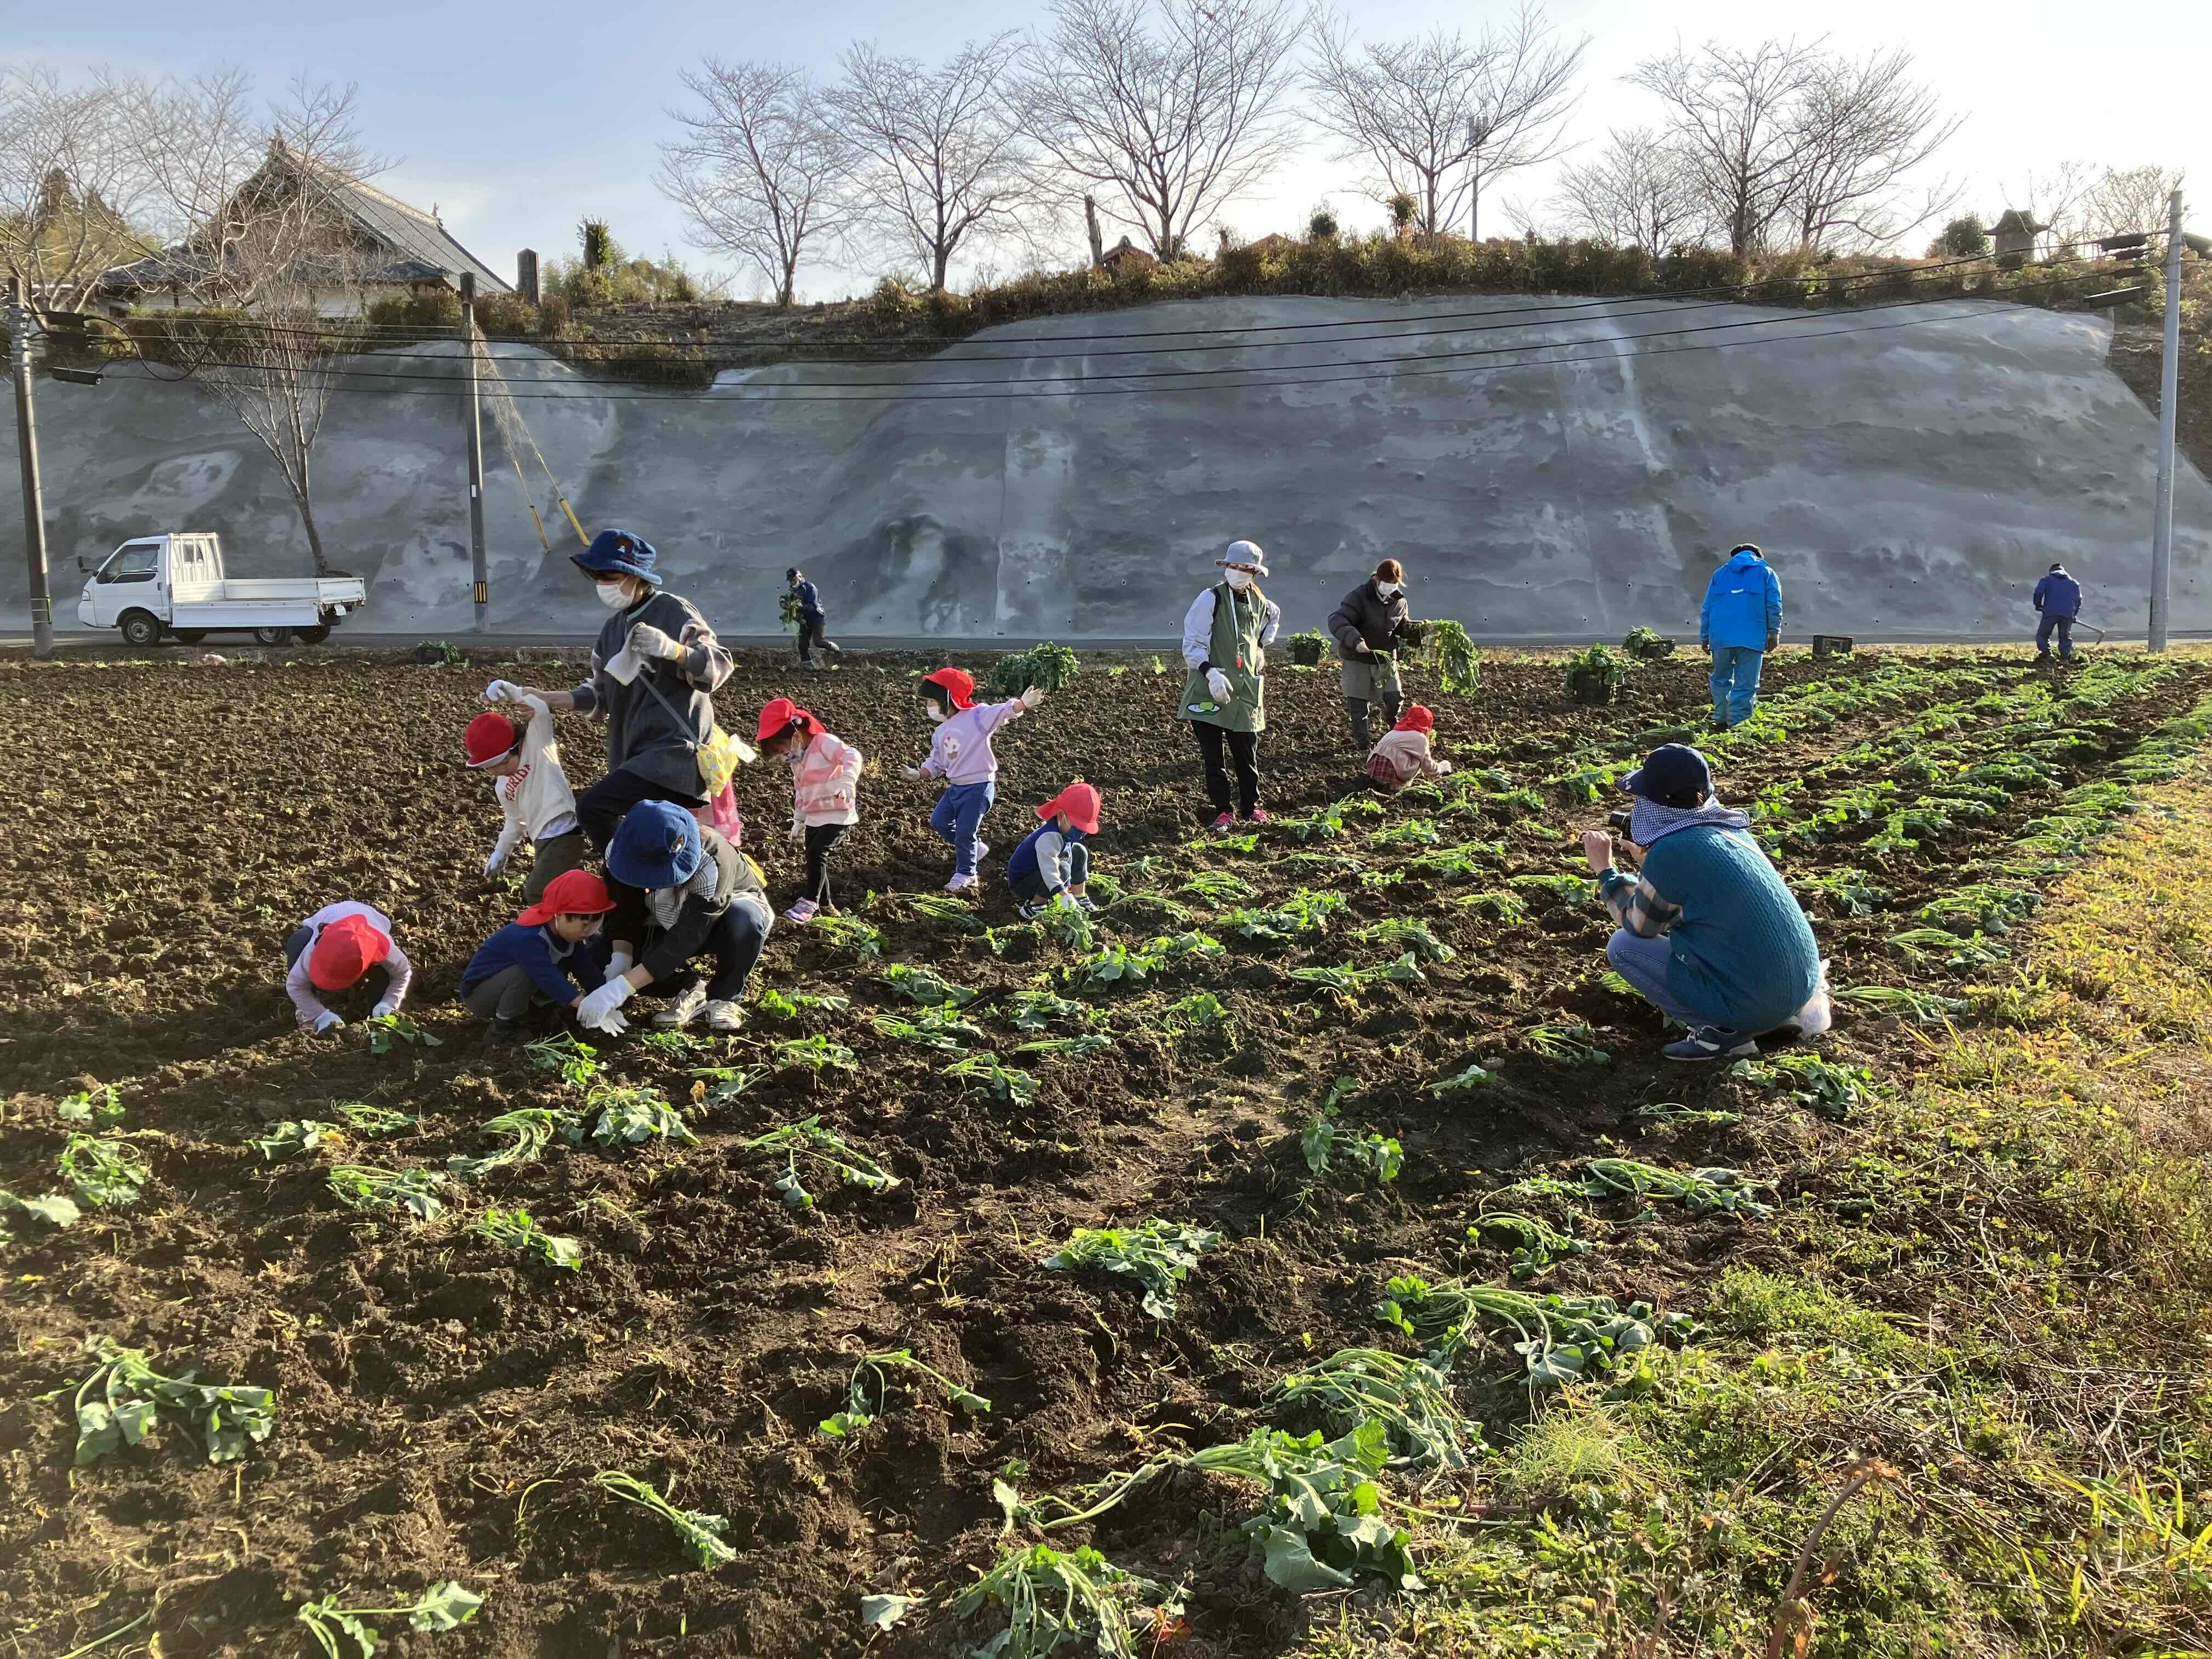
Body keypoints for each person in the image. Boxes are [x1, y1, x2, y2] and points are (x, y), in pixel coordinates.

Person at [501, 528, 733, 978]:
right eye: (598, 575)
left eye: (611, 574)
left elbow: (719, 665)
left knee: (595, 807)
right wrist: (535, 696)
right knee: (646, 840)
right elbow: (597, 697)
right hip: (633, 757)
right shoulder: (610, 633)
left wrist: (675, 651)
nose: (603, 583)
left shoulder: (673, 610)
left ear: (636, 576)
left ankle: (632, 881)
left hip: (674, 752)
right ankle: (637, 932)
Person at [1582, 743, 1824, 1062]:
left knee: (1623, 946)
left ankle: (1721, 1035)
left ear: (1656, 804)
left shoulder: (1673, 854)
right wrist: (1648, 863)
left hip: (1758, 1001)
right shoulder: (1731, 830)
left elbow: (1638, 923)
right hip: (1797, 989)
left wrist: (1606, 871)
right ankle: (1773, 1020)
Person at [576, 800, 772, 1035]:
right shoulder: (619, 851)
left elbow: (688, 936)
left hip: (716, 921)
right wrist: (621, 958)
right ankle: (690, 987)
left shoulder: (712, 860)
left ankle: (723, 997)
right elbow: (623, 911)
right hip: (661, 914)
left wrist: (619, 989)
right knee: (598, 957)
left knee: (745, 921)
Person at [901, 667, 1046, 893]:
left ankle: (968, 874)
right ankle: (974, 849)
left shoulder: (977, 716)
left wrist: (1023, 704)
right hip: (957, 787)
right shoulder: (940, 732)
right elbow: (936, 763)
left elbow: (1002, 712)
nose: (928, 706)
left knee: (966, 832)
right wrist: (920, 774)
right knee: (939, 821)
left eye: (931, 700)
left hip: (978, 787)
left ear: (947, 698)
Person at [1180, 539, 1282, 831]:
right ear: (1226, 567)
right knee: (1215, 759)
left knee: (1246, 755)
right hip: (1210, 688)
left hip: (1246, 690)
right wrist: (1210, 673)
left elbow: (1274, 615)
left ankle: (1251, 808)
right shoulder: (1210, 599)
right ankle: (1224, 810)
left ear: (1254, 573)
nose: (1238, 572)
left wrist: (1263, 643)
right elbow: (1193, 644)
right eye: (1234, 567)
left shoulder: (1260, 601)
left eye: (1245, 569)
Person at [459, 868, 617, 1045]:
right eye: (584, 924)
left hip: (511, 989)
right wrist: (583, 1004)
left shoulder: (569, 936)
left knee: (562, 963)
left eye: (594, 925)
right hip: (481, 995)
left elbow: (585, 969)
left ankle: (541, 1011)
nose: (588, 932)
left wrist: (607, 998)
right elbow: (546, 976)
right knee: (526, 973)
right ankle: (503, 1029)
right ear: (559, 914)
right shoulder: (529, 937)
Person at [466, 684, 589, 904]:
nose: (499, 771)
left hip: (567, 833)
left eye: (504, 762)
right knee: (557, 895)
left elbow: (540, 708)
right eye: (490, 768)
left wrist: (510, 691)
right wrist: (501, 853)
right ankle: (572, 933)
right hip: (541, 840)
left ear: (517, 745)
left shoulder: (537, 746)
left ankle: (548, 936)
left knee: (536, 892)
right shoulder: (502, 788)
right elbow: (515, 822)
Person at [757, 695, 863, 924]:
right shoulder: (798, 761)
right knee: (814, 857)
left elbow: (852, 755)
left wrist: (847, 781)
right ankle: (826, 905)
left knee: (817, 853)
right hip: (815, 817)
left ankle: (809, 902)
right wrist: (799, 821)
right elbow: (801, 793)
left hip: (838, 814)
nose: (784, 755)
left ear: (795, 735)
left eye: (781, 747)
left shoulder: (824, 743)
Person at [1328, 557, 1418, 751]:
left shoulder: (1399, 601)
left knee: (1395, 698)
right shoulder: (1359, 597)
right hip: (1358, 658)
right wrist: (1356, 641)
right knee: (1358, 705)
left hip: (1384, 657)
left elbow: (1401, 627)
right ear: (1377, 579)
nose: (1390, 587)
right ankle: (1364, 746)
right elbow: (1338, 620)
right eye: (1387, 583)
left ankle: (1391, 723)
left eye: (1394, 584)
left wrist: (1420, 631)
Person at [284, 902, 412, 1034]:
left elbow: (402, 973)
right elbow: (295, 985)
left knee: (383, 976)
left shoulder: (385, 950)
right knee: (298, 942)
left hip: (371, 924)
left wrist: (389, 1002)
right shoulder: (316, 946)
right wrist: (319, 1015)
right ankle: (306, 1013)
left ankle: (375, 1008)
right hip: (330, 918)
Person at [1699, 543, 1782, 730]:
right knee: (1746, 682)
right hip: (1752, 638)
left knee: (1720, 678)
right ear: (1758, 556)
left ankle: (1720, 717)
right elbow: (1774, 605)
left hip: (1720, 637)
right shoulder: (1766, 573)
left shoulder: (1719, 575)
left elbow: (1707, 608)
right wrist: (1774, 631)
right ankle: (1738, 724)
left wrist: (1705, 636)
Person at [1007, 782, 1103, 918]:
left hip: (1039, 875)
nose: (1080, 833)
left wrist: (1068, 887)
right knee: (1062, 869)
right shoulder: (1048, 837)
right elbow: (1049, 870)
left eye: (1083, 830)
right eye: (1077, 827)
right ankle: (1034, 906)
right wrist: (1063, 895)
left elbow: (1068, 854)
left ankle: (1079, 896)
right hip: (1022, 884)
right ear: (1061, 816)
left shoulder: (1063, 831)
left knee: (1080, 851)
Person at [1365, 704, 1453, 793]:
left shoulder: (1394, 732)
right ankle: (1396, 786)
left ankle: (1379, 783)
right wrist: (1442, 768)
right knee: (1420, 758)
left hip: (1373, 768)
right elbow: (1428, 767)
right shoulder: (1420, 738)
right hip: (1393, 773)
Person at [786, 567, 842, 670]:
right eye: (790, 580)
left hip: (817, 618)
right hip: (805, 620)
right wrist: (788, 608)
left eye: (794, 579)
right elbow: (792, 608)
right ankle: (809, 668)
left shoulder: (810, 588)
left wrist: (799, 607)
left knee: (818, 642)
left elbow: (814, 607)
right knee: (802, 645)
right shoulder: (793, 592)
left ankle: (837, 651)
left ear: (799, 577)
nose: (792, 582)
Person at [2032, 561, 2082, 661]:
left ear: (2051, 572)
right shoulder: (2074, 583)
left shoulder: (2046, 580)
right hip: (2067, 614)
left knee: (2043, 635)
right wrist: (2074, 614)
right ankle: (2065, 658)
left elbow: (2039, 592)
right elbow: (2078, 600)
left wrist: (2038, 605)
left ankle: (2048, 655)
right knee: (2065, 636)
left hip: (2050, 612)